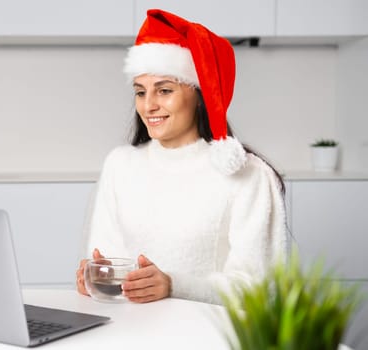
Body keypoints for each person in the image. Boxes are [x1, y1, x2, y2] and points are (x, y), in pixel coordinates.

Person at [76, 9, 288, 304]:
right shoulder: (120, 166)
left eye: (164, 90)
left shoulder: (248, 175)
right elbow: (110, 265)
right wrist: (100, 277)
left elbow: (258, 290)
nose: (148, 105)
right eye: (140, 92)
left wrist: (173, 285)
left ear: (201, 95)